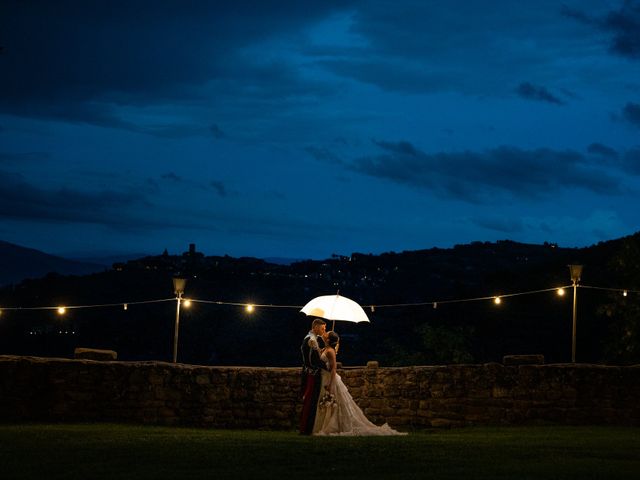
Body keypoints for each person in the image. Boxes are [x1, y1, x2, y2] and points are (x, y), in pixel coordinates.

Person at [312, 331, 406, 436]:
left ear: (328, 339)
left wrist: (331, 383)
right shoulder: (326, 349)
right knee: (328, 402)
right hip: (324, 377)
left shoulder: (331, 351)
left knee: (335, 402)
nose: (324, 333)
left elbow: (334, 368)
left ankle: (336, 426)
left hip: (330, 378)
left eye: (327, 334)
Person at [299, 318, 327, 435]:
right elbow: (312, 361)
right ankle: (306, 428)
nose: (323, 331)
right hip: (312, 375)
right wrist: (327, 366)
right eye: (322, 328)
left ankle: (307, 428)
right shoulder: (311, 340)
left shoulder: (313, 339)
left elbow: (314, 356)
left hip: (310, 373)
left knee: (311, 400)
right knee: (310, 400)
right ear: (315, 327)